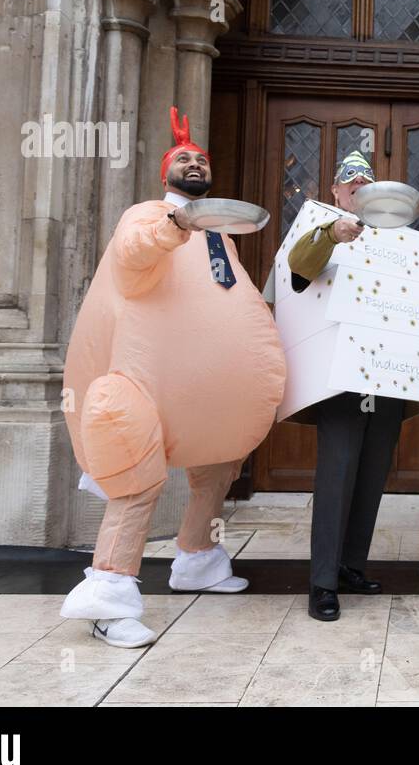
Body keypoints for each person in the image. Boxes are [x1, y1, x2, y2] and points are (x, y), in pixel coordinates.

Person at [59, 107, 286, 647]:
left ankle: (197, 560)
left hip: (204, 397)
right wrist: (174, 224)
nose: (194, 163)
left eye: (201, 159)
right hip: (145, 388)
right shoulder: (147, 214)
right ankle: (108, 596)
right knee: (135, 482)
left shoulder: (222, 236)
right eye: (184, 157)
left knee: (217, 471)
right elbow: (133, 256)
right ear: (167, 172)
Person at [285, 152, 419, 622]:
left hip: (390, 377)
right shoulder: (321, 226)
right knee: (337, 476)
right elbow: (298, 272)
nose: (358, 189)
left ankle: (350, 567)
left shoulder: (404, 243)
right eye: (350, 184)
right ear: (337, 193)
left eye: (366, 183)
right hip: (342, 377)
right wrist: (329, 234)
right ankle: (322, 582)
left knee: (371, 476)